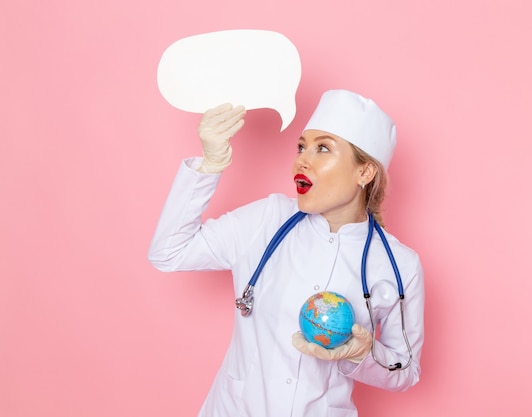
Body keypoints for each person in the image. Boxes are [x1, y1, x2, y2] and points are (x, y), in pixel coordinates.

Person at [148, 89, 425, 417]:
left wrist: (361, 354)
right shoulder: (266, 220)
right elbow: (169, 252)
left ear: (364, 173)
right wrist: (210, 165)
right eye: (301, 147)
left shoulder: (399, 265)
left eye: (323, 148)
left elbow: (405, 370)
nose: (302, 160)